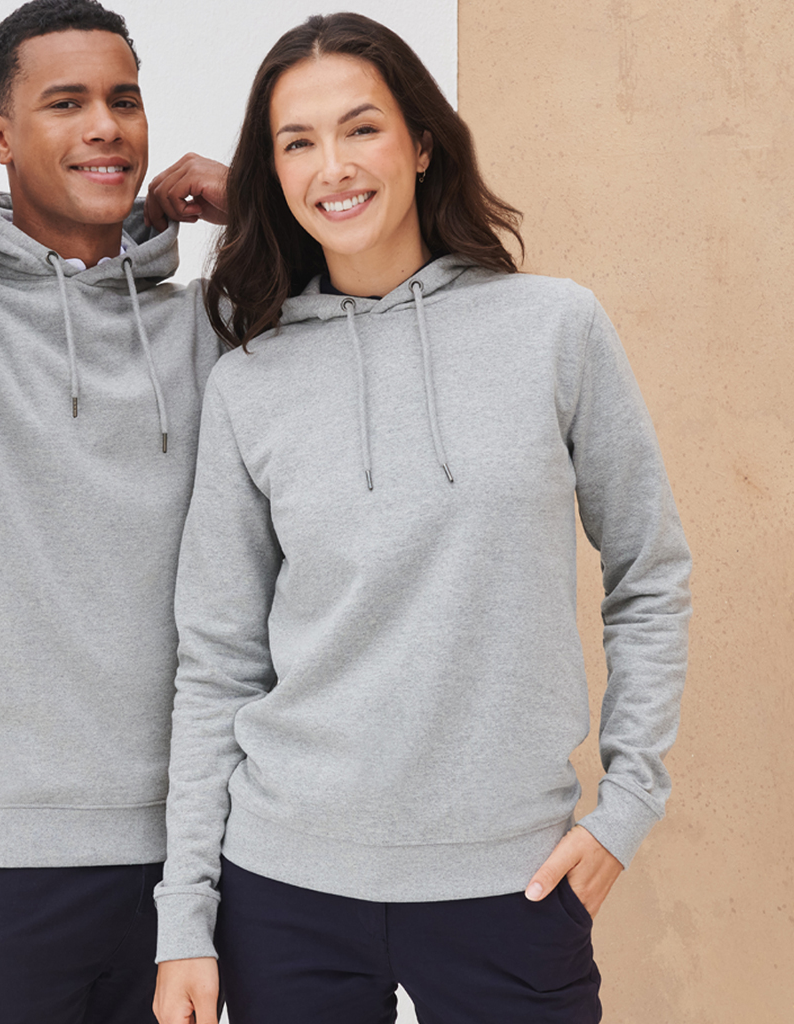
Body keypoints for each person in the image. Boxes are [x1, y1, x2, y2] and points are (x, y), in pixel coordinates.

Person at [153, 12, 692, 1024]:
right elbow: (218, 659)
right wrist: (186, 911)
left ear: (423, 142)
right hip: (282, 885)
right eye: (297, 143)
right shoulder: (251, 381)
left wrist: (627, 804)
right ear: (273, 173)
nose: (333, 166)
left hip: (510, 878)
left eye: (361, 128)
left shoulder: (554, 328)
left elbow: (650, 573)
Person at [0, 2, 228, 1021]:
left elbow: (352, 331)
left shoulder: (199, 327)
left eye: (124, 100)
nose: (106, 127)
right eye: (66, 103)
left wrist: (259, 206)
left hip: (185, 858)